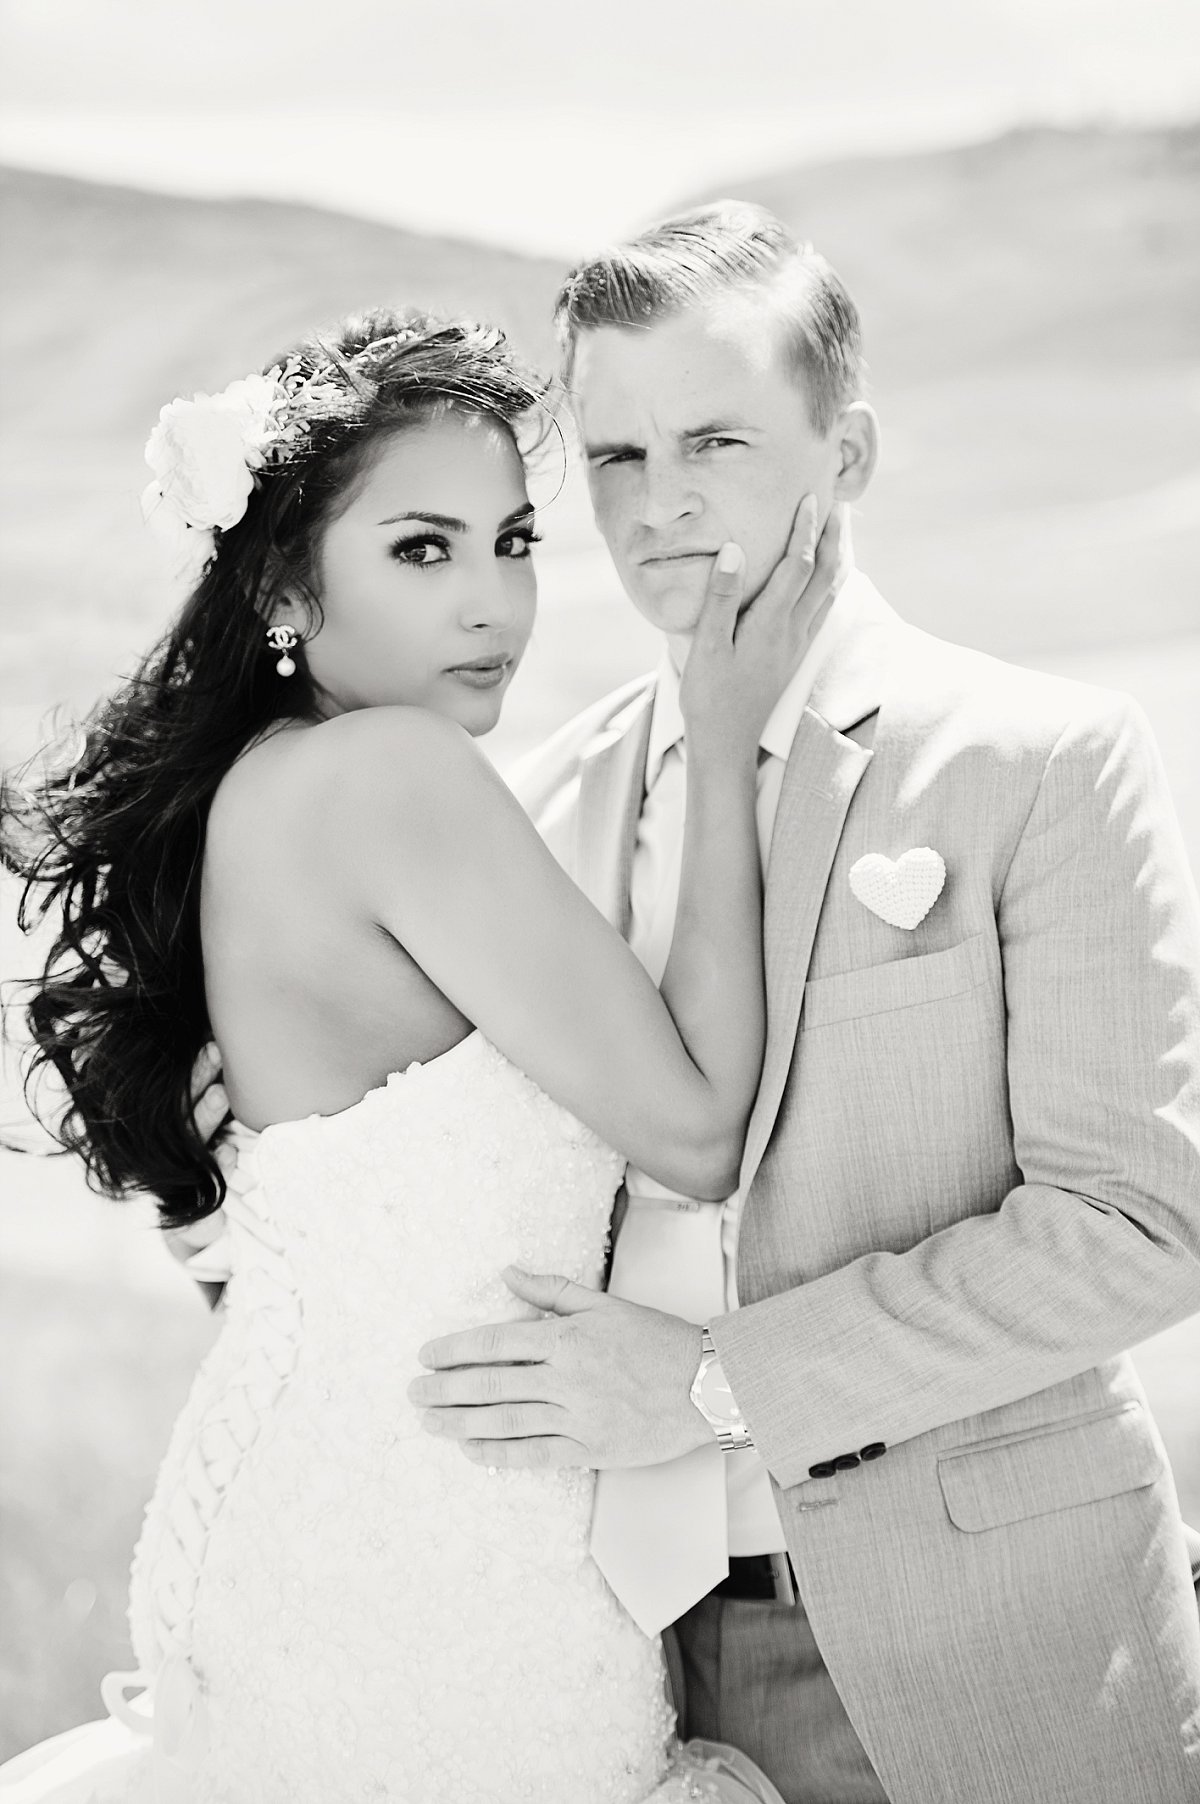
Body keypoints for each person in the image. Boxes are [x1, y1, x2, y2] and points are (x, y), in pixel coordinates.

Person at [398, 206, 1200, 1804]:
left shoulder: (1039, 763)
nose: (660, 504)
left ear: (850, 452)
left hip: (991, 1651)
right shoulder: (542, 803)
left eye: (716, 440)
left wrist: (717, 1385)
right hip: (608, 1664)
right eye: (616, 456)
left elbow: (1139, 1225)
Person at [0, 308, 843, 1802]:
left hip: (345, 1522)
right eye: (422, 550)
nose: (492, 604)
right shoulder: (396, 776)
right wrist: (723, 742)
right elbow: (702, 1130)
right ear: (282, 584)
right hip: (438, 1578)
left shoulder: (260, 789)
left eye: (513, 542)